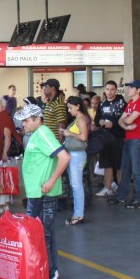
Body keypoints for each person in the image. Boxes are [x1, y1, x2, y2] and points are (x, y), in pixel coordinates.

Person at [14, 103, 70, 279]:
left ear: (38, 119)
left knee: (42, 235)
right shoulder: (36, 134)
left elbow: (64, 157)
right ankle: (49, 272)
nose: (24, 124)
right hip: (37, 193)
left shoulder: (44, 133)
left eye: (27, 121)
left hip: (43, 193)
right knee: (46, 233)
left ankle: (48, 274)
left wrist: (51, 180)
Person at [108, 80, 140, 209]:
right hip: (129, 137)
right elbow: (122, 120)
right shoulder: (131, 103)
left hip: (138, 139)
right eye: (129, 87)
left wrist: (125, 122)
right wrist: (126, 126)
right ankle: (121, 196)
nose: (129, 89)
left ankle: (138, 199)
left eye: (132, 87)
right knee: (125, 168)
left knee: (137, 170)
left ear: (138, 90)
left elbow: (128, 119)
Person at [60, 96, 90, 226]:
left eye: (71, 108)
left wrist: (69, 133)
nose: (69, 110)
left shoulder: (81, 119)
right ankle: (78, 213)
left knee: (76, 185)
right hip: (74, 154)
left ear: (78, 106)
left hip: (77, 155)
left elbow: (84, 137)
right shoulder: (78, 119)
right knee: (75, 184)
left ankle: (78, 214)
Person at [95, 81, 126, 197]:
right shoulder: (102, 104)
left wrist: (114, 125)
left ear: (116, 90)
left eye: (112, 89)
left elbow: (126, 120)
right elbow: (97, 119)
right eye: (107, 89)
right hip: (105, 138)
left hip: (118, 138)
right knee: (107, 164)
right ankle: (107, 187)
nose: (109, 92)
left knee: (119, 165)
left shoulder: (122, 103)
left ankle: (122, 189)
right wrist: (100, 122)